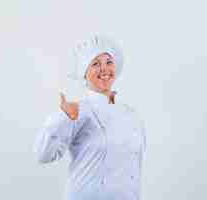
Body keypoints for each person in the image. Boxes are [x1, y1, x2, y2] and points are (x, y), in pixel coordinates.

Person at [33, 33, 147, 200]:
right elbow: (43, 155)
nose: (104, 69)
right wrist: (63, 118)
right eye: (95, 64)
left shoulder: (131, 115)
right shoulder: (78, 111)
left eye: (109, 62)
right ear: (84, 73)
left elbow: (133, 172)